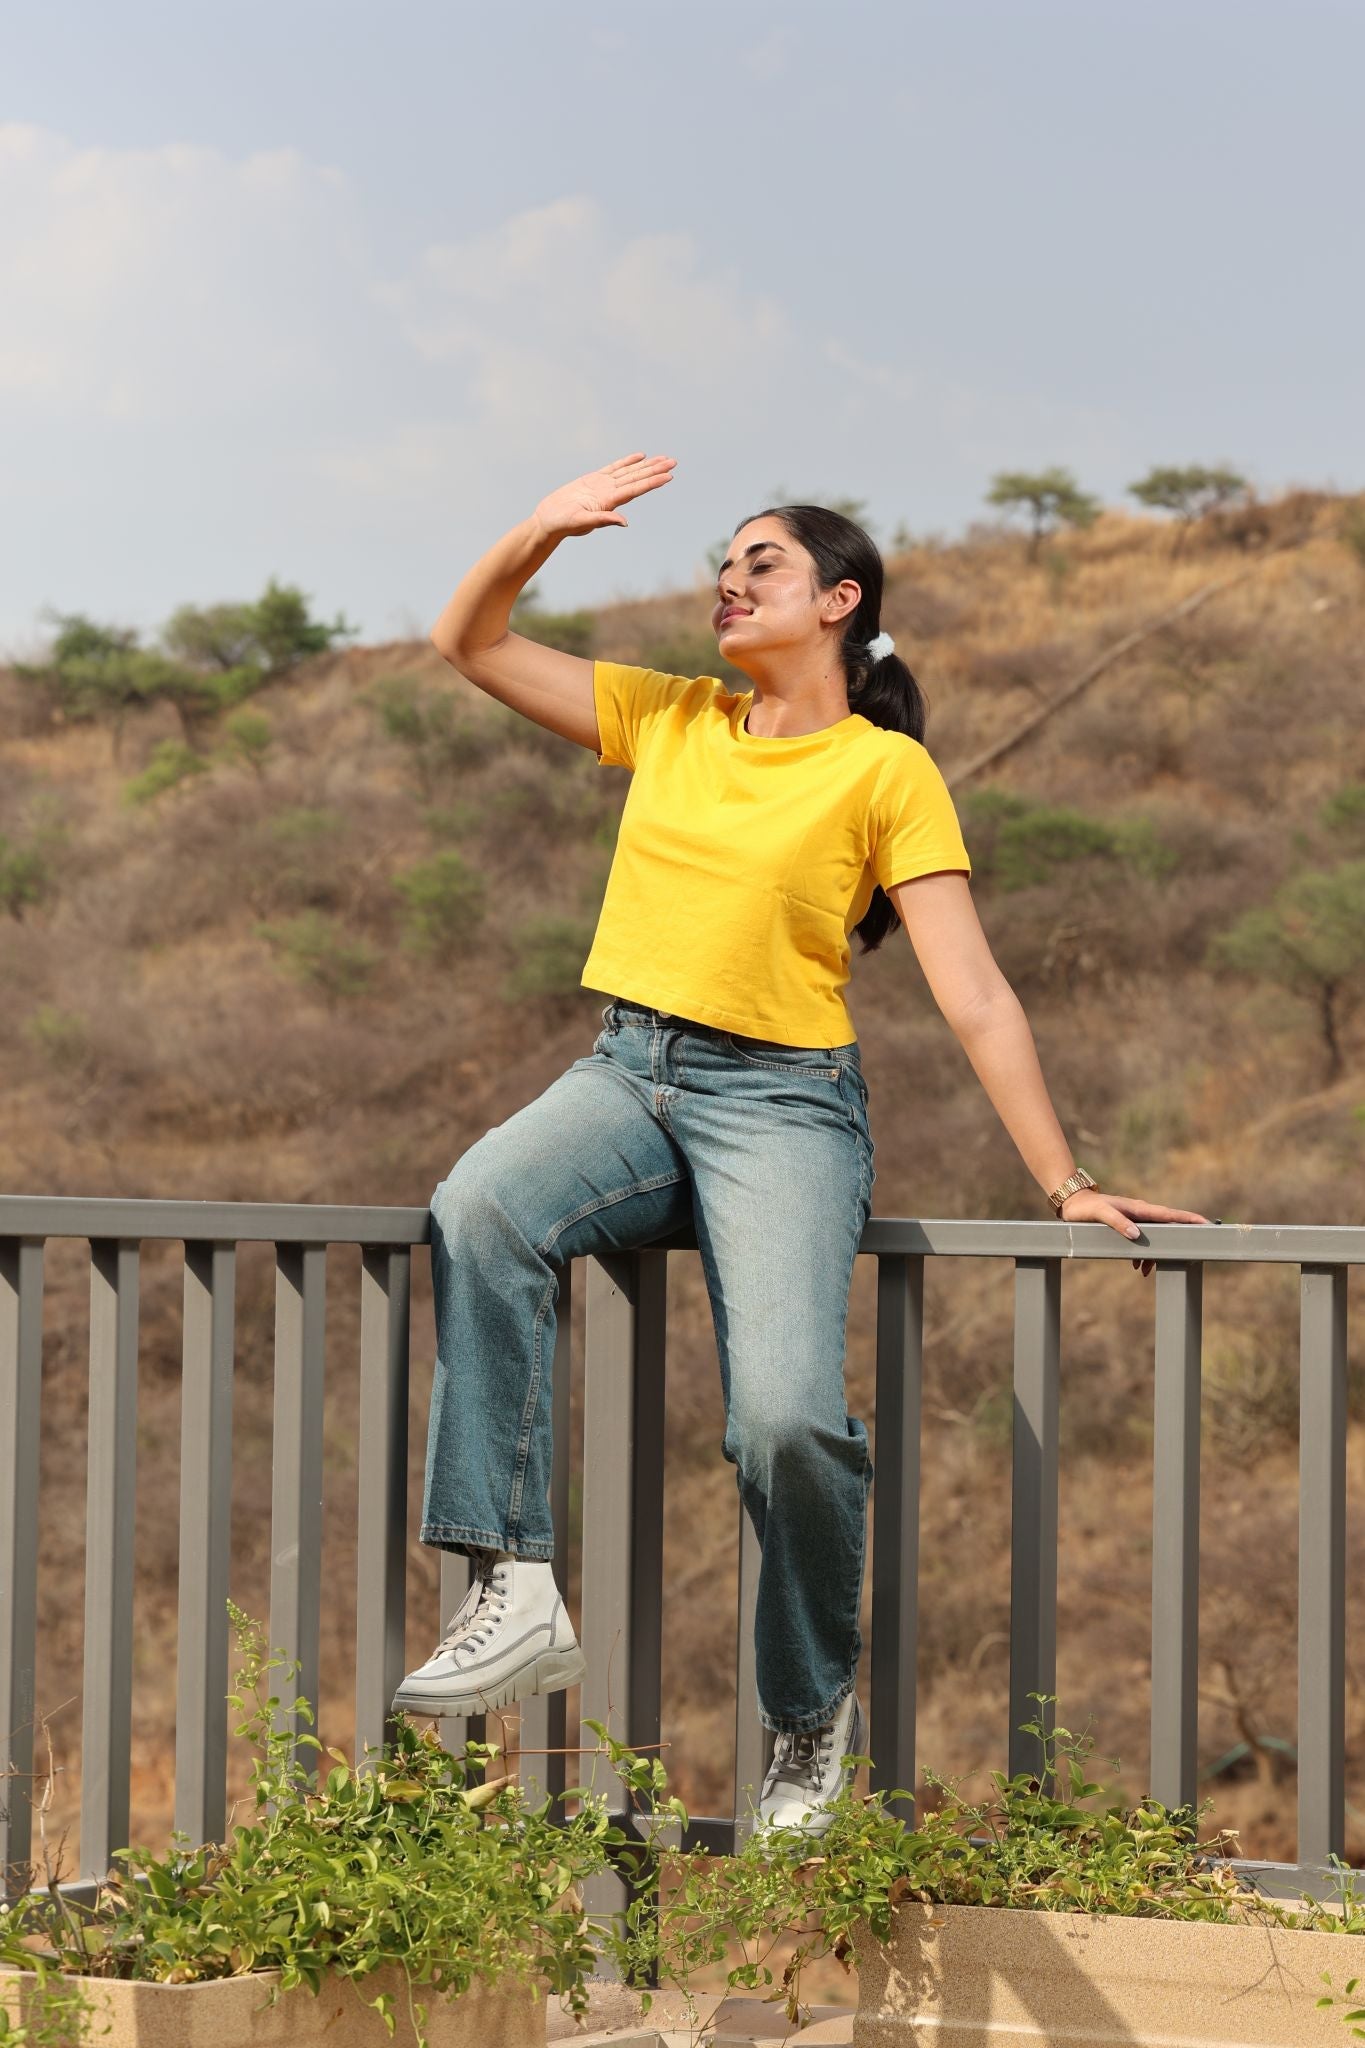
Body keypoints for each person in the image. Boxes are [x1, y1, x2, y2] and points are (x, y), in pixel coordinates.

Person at [390, 453, 1211, 1834]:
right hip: (624, 1073)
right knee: (479, 1206)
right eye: (722, 561)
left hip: (779, 1102)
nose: (727, 578)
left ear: (837, 601)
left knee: (782, 1420)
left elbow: (974, 991)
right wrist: (539, 526)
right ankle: (513, 1583)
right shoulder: (669, 718)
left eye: (759, 562)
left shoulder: (883, 770)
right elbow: (463, 640)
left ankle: (806, 1720)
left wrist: (1063, 1182)